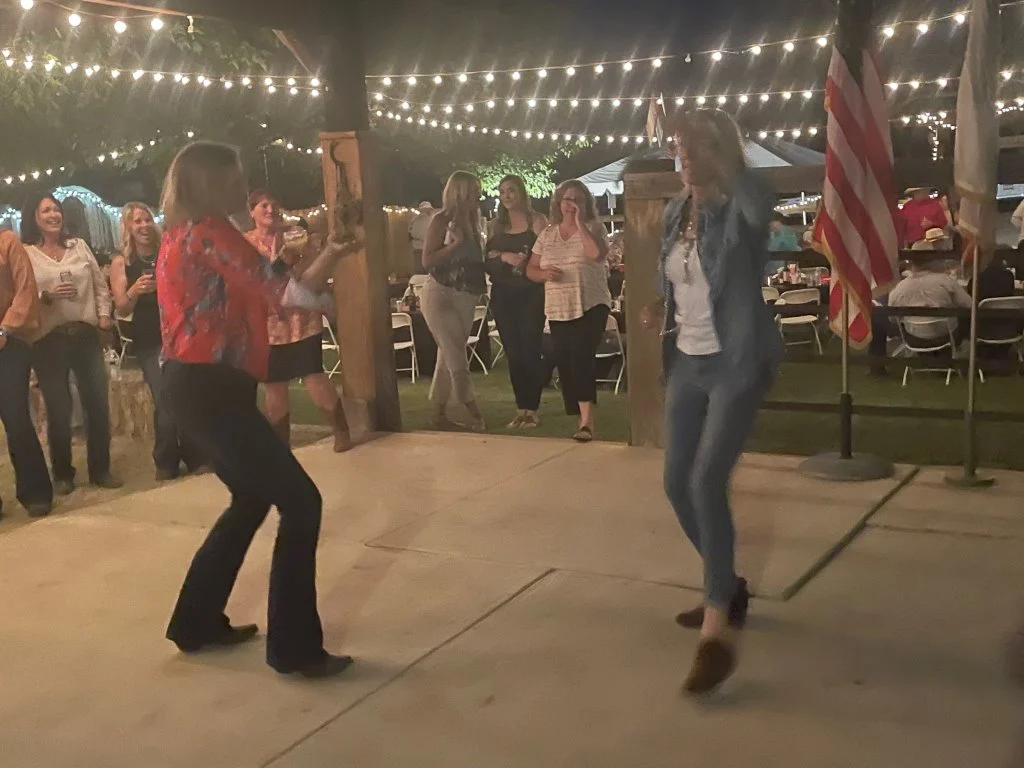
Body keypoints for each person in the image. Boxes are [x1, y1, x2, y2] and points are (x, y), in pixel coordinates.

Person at [158, 141, 354, 678]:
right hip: (210, 387)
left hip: (196, 384)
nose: (243, 187)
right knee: (302, 502)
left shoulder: (183, 232)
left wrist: (331, 254)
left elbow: (274, 286)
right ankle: (294, 648)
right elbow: (286, 292)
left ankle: (195, 621)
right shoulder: (211, 233)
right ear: (211, 182)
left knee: (251, 498)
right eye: (235, 177)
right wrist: (328, 293)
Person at [640, 109, 783, 694]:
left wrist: (725, 164)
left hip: (736, 363)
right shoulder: (677, 211)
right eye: (680, 147)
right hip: (688, 361)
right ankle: (726, 584)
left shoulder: (743, 208)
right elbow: (676, 276)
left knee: (706, 482)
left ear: (720, 152)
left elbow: (754, 204)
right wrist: (659, 304)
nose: (684, 158)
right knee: (677, 483)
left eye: (696, 148)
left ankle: (716, 630)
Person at [22, 193, 121, 495]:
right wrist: (46, 296)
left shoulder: (78, 246)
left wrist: (103, 319)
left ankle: (101, 469)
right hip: (48, 340)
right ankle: (63, 472)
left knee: (97, 403)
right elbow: (22, 296)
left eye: (56, 209)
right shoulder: (27, 254)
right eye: (46, 210)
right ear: (34, 218)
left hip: (85, 333)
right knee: (59, 408)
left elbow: (100, 286)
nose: (53, 215)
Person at [244, 190, 351, 452]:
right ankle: (281, 445)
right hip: (267, 326)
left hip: (301, 320)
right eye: (263, 205)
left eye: (274, 204)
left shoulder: (296, 235)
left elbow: (310, 275)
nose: (270, 210)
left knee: (314, 376)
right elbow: (249, 280)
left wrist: (286, 262)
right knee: (274, 385)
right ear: (252, 212)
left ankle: (341, 431)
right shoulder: (245, 243)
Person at [109, 202, 203, 481]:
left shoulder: (169, 251)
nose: (143, 225)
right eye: (136, 221)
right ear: (128, 227)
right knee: (164, 395)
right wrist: (135, 291)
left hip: (179, 333)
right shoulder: (122, 263)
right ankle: (166, 460)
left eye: (147, 219)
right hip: (149, 339)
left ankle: (195, 455)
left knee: (186, 393)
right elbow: (122, 307)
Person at [526, 179, 611, 442]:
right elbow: (531, 269)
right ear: (558, 203)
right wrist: (544, 274)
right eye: (566, 199)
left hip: (590, 303)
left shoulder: (595, 227)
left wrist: (579, 224)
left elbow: (596, 254)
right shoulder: (547, 234)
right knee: (565, 361)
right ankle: (580, 415)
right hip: (558, 306)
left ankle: (587, 422)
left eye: (577, 199)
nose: (571, 204)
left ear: (586, 203)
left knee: (582, 357)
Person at [420, 171, 487, 431]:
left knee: (447, 355)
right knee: (455, 354)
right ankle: (472, 408)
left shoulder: (476, 221)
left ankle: (438, 414)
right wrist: (455, 244)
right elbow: (427, 260)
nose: (479, 194)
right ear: (461, 192)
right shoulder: (442, 220)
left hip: (466, 296)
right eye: (475, 190)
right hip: (441, 293)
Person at [485, 174, 548, 428]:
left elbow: (547, 254)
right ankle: (521, 408)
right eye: (502, 192)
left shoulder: (537, 221)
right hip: (503, 295)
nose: (506, 196)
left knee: (529, 349)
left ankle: (532, 409)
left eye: (511, 190)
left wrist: (526, 262)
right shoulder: (496, 226)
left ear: (521, 192)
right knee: (513, 352)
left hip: (531, 293)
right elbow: (487, 259)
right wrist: (504, 256)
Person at [0, 230, 53, 518]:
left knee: (16, 417)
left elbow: (25, 290)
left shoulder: (7, 242)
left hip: (10, 341)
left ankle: (36, 492)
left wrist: (5, 329)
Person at [408, 200, 434, 271]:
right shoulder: (422, 220)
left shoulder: (416, 220)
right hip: (422, 249)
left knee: (421, 269)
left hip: (421, 249)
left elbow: (411, 233)